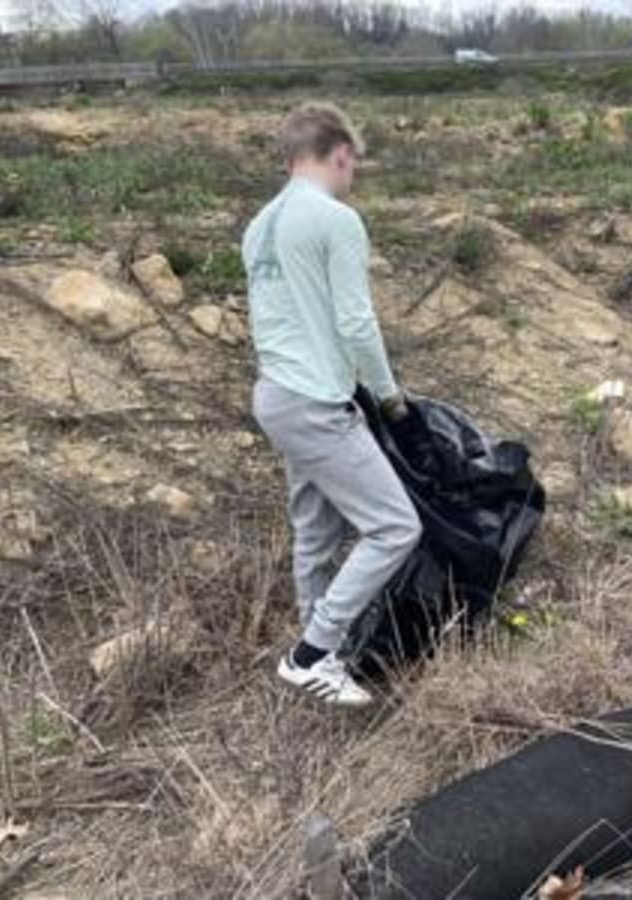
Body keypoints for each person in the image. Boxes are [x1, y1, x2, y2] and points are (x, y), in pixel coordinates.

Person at [243, 102, 422, 707]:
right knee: (395, 526)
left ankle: (325, 658)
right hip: (316, 402)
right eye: (355, 165)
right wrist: (391, 398)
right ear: (339, 154)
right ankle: (312, 654)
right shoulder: (334, 220)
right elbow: (355, 322)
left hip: (275, 395)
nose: (354, 177)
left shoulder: (260, 224)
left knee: (315, 531)